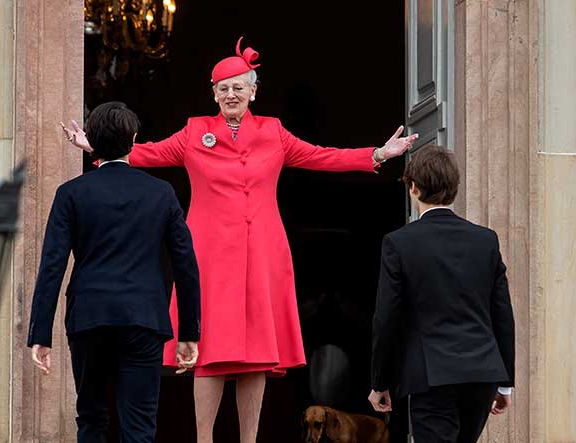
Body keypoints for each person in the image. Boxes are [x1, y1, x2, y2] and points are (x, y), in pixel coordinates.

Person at [62, 37, 418, 443]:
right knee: (208, 351)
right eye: (223, 88)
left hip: (263, 252)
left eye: (238, 87)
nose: (231, 94)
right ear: (213, 93)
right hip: (209, 255)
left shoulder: (274, 132)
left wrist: (377, 155)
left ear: (253, 91)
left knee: (255, 355)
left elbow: (323, 156)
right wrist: (98, 146)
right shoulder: (196, 131)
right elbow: (148, 153)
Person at [29, 101, 201, 443]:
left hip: (89, 317)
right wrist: (190, 331)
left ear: (91, 138)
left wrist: (40, 332)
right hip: (143, 318)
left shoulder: (71, 193)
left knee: (91, 418)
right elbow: (186, 264)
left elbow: (52, 264)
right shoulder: (161, 193)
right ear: (134, 140)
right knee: (139, 426)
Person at [368, 145, 515, 443]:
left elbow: (386, 317)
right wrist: (505, 383)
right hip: (481, 374)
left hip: (430, 376)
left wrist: (380, 382)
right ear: (454, 189)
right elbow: (503, 315)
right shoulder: (486, 240)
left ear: (413, 188)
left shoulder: (399, 243)